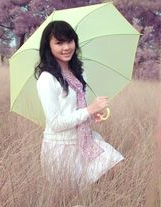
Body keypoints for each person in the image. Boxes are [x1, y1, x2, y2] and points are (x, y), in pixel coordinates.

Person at [35, 20, 124, 188]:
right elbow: (55, 124)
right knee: (74, 197)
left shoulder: (78, 73)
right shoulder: (47, 79)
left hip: (84, 140)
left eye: (69, 41)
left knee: (118, 168)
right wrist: (89, 110)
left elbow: (77, 110)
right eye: (59, 43)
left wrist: (91, 114)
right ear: (48, 46)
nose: (66, 47)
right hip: (62, 147)